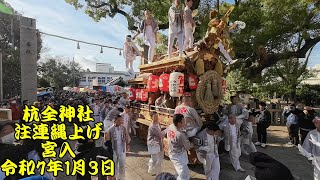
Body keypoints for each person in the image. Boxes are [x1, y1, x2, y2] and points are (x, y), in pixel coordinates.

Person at [167, 114, 193, 180]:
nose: (185, 122)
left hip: (172, 152)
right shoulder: (180, 135)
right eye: (183, 121)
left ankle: (176, 177)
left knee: (178, 170)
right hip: (178, 155)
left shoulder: (170, 126)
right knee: (183, 173)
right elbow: (188, 147)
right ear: (179, 123)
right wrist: (194, 144)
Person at [105, 115, 131, 180]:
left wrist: (127, 144)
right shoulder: (110, 130)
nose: (120, 122)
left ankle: (122, 178)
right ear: (115, 120)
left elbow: (126, 136)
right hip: (114, 151)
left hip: (122, 149)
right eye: (119, 120)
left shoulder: (123, 128)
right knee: (115, 166)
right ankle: (115, 178)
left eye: (121, 120)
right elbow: (106, 142)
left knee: (122, 165)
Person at [147, 112, 165, 176]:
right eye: (155, 117)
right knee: (154, 160)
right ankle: (150, 168)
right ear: (151, 117)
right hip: (153, 144)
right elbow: (161, 135)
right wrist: (167, 130)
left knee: (160, 160)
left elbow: (160, 132)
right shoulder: (152, 126)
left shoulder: (158, 124)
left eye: (157, 116)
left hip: (159, 144)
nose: (156, 118)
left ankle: (158, 173)